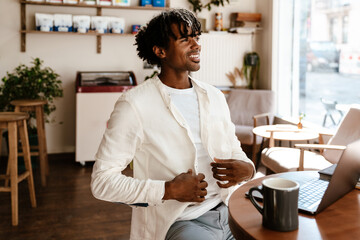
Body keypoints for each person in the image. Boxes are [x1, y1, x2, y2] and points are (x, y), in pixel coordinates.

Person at [91, 8, 255, 240]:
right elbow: (102, 182)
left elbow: (233, 148)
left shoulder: (215, 96)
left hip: (232, 211)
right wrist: (168, 190)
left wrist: (248, 169)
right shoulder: (134, 105)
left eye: (197, 37)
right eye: (185, 39)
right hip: (182, 222)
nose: (196, 45)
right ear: (160, 51)